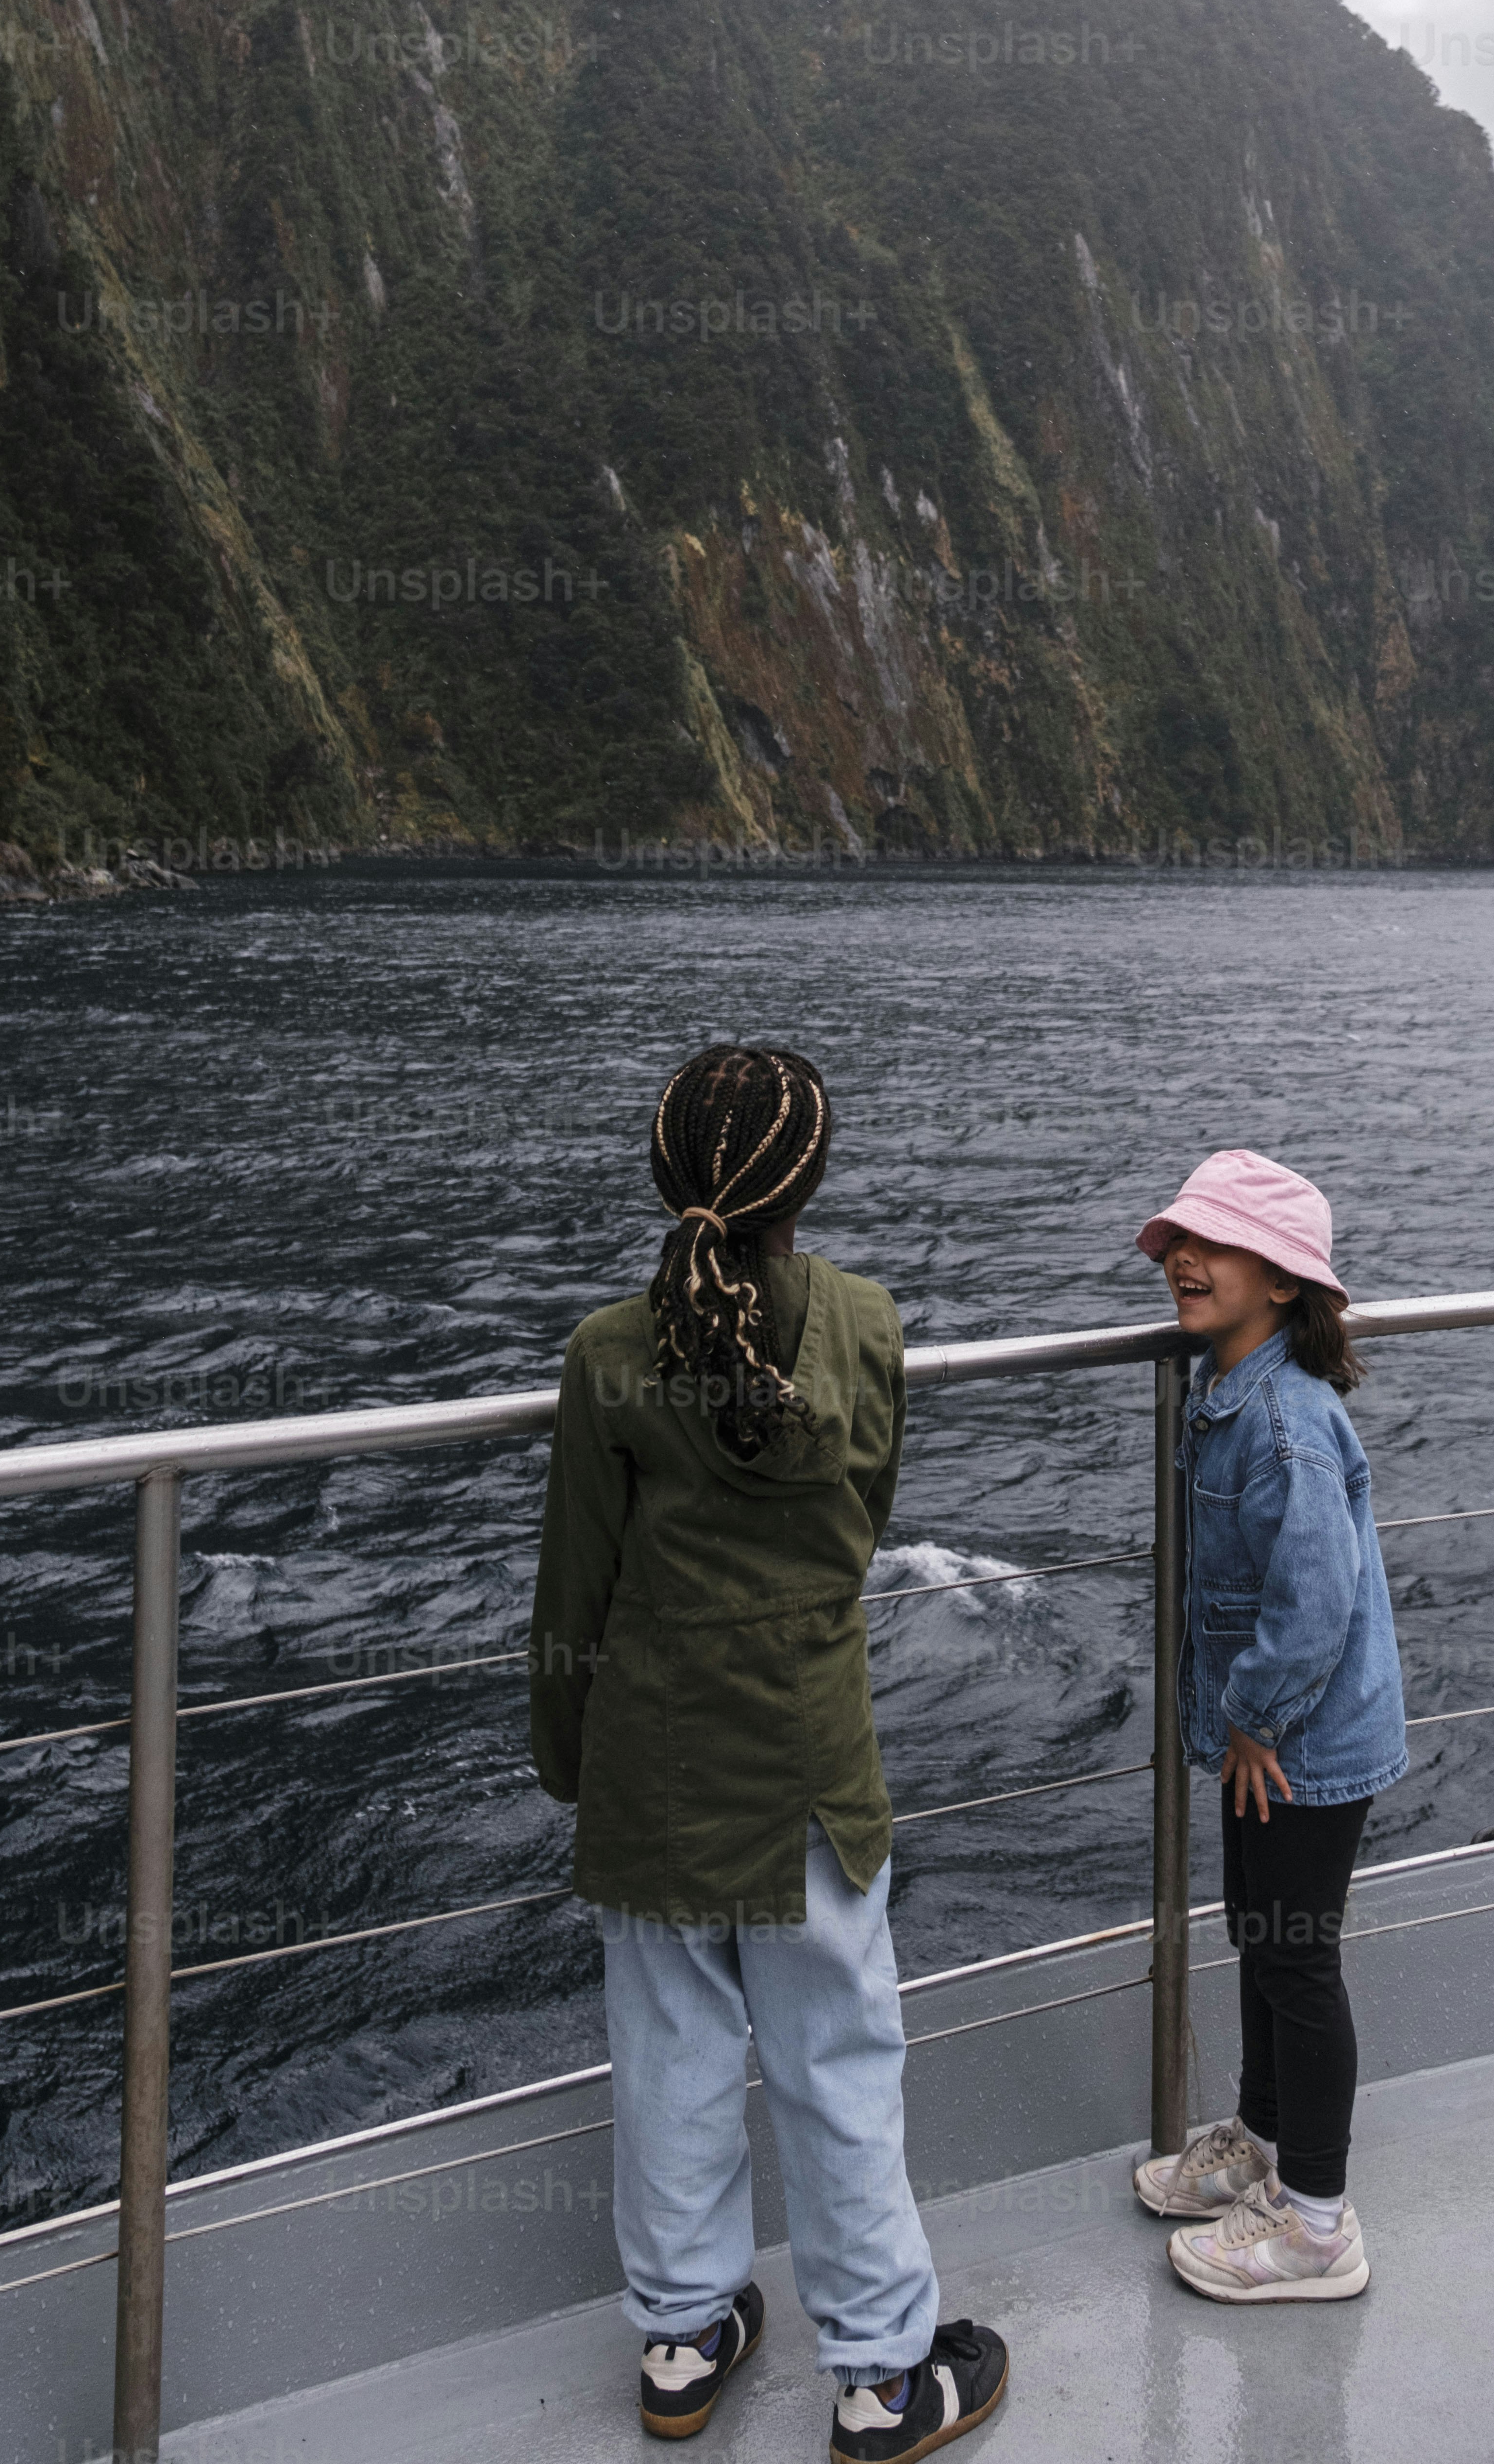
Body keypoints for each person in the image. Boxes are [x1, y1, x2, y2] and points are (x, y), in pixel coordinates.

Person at [529, 1040, 1009, 2453]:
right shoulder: (863, 1322)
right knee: (839, 2058)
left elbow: (576, 1590)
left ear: (664, 1178)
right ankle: (880, 2372)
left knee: (669, 2055)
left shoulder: (606, 1355)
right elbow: (862, 1525)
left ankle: (683, 2340)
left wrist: (572, 1763)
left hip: (654, 1771)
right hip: (809, 1758)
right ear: (811, 1182)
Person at [1128, 1148, 1406, 2304]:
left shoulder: (1287, 1421)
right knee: (1262, 1929)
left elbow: (1314, 1602)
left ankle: (1318, 2225)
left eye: (1218, 1245)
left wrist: (1250, 1720)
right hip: (1272, 1740)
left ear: (1283, 1280)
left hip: (1303, 1743)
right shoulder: (1231, 1387)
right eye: (1178, 1241)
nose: (1186, 1259)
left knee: (1297, 1957)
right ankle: (1258, 2132)